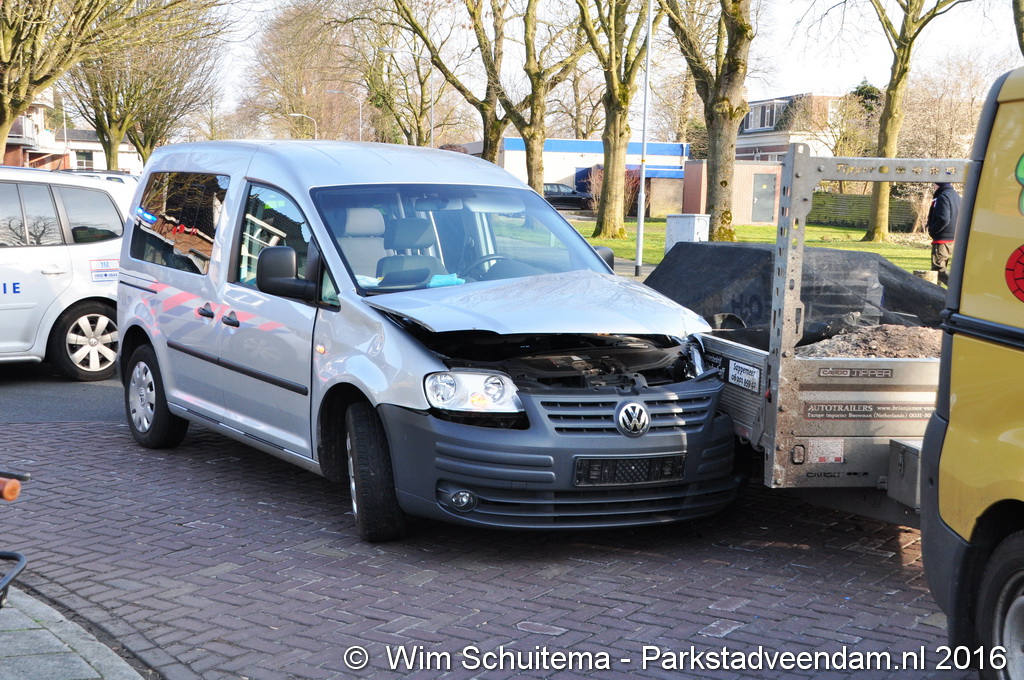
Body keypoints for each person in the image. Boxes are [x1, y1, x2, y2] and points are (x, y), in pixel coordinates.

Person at [926, 182, 961, 286]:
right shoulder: (956, 195)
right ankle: (940, 295)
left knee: (938, 270)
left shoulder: (943, 196)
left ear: (938, 185)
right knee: (942, 269)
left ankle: (958, 289)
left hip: (943, 238)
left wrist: (933, 229)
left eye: (934, 185)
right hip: (953, 236)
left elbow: (944, 218)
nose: (933, 187)